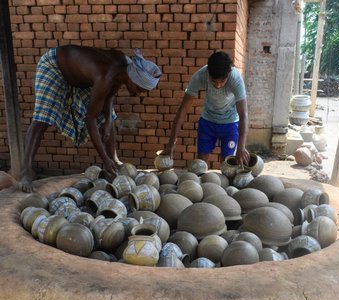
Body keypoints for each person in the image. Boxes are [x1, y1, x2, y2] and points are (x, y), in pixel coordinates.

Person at [19, 46, 162, 193]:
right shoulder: (105, 77)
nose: (140, 94)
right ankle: (26, 172)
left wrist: (108, 121)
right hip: (55, 66)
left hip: (79, 77)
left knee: (110, 117)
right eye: (140, 89)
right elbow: (90, 119)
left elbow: (109, 94)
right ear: (133, 78)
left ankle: (115, 159)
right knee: (43, 118)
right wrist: (104, 159)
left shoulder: (125, 66)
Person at [164, 51, 250, 166]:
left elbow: (243, 115)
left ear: (229, 73)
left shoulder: (235, 79)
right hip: (208, 122)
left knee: (228, 163)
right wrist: (171, 143)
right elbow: (183, 109)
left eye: (222, 82)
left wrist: (241, 147)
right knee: (201, 163)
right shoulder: (200, 76)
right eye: (214, 81)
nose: (218, 85)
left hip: (230, 124)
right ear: (208, 72)